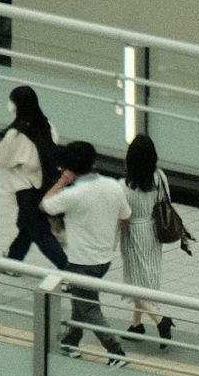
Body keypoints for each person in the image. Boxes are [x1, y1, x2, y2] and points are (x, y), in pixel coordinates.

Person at [41, 141, 133, 364]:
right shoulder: (113, 186)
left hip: (81, 261)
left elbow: (45, 205)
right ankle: (71, 341)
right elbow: (126, 216)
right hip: (104, 259)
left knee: (89, 308)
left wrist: (63, 181)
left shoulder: (73, 195)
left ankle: (115, 352)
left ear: (68, 167)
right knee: (81, 301)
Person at [0, 83, 65, 265]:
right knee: (26, 225)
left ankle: (68, 269)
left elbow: (1, 157)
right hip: (46, 182)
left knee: (38, 231)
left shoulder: (17, 134)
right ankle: (13, 261)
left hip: (27, 187)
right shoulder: (47, 125)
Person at [118, 132, 178, 342]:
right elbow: (166, 200)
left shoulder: (124, 186)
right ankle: (136, 325)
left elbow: (122, 215)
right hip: (153, 231)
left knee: (134, 282)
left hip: (133, 232)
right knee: (147, 276)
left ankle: (161, 319)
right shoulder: (159, 177)